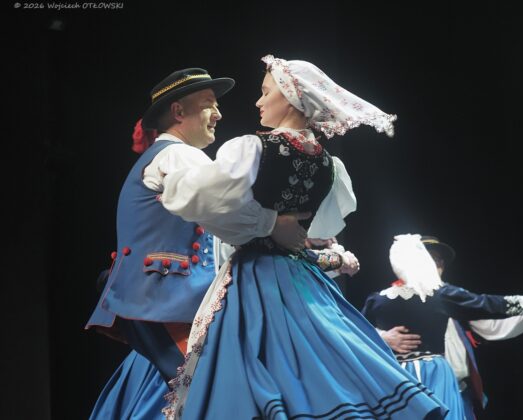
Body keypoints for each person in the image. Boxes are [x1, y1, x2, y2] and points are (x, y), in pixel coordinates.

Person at [162, 54, 448, 420]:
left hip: (256, 276)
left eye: (266, 92)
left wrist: (262, 221)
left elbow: (198, 200)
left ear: (290, 97)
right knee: (318, 366)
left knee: (254, 363)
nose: (259, 101)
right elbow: (324, 227)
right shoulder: (330, 165)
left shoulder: (252, 148)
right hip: (303, 280)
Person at [85, 67, 310, 418]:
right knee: (214, 389)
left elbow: (214, 231)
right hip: (165, 295)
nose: (218, 113)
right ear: (178, 112)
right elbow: (220, 206)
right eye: (209, 104)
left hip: (164, 297)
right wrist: (273, 224)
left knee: (201, 394)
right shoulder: (177, 155)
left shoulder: (171, 155)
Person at [361, 234, 523, 420]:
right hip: (419, 376)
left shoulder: (381, 299)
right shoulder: (438, 296)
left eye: (440, 261)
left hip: (429, 382)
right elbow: (356, 331)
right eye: (431, 259)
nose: (437, 265)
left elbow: (491, 318)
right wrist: (382, 337)